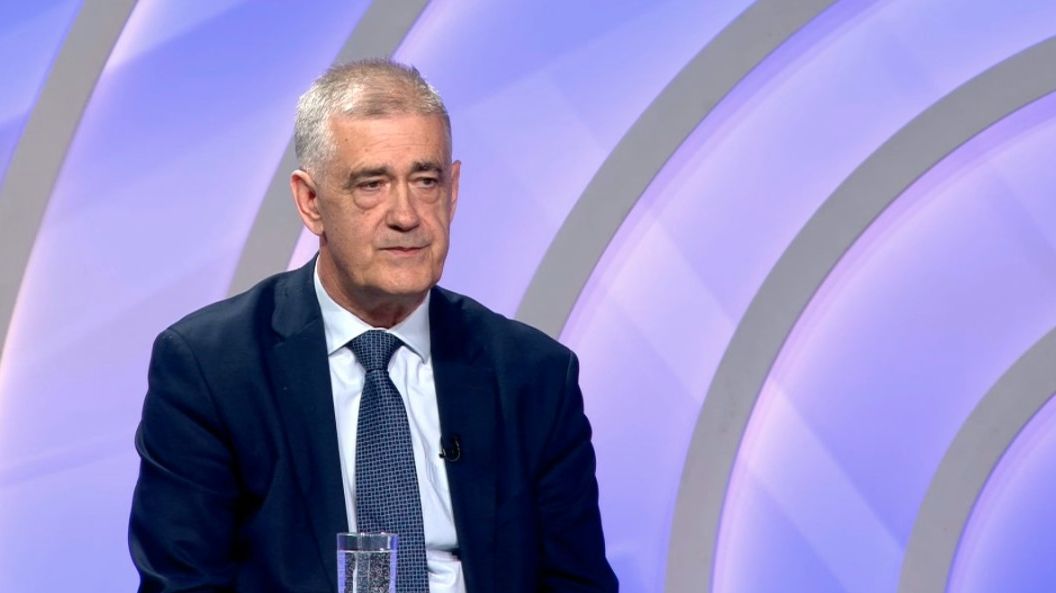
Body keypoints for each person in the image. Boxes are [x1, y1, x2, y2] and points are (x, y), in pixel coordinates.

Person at [128, 59, 617, 593]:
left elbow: (579, 584)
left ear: (453, 191)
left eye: (425, 181)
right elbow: (183, 583)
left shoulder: (532, 375)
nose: (406, 215)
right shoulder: (211, 368)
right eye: (372, 184)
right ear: (311, 202)